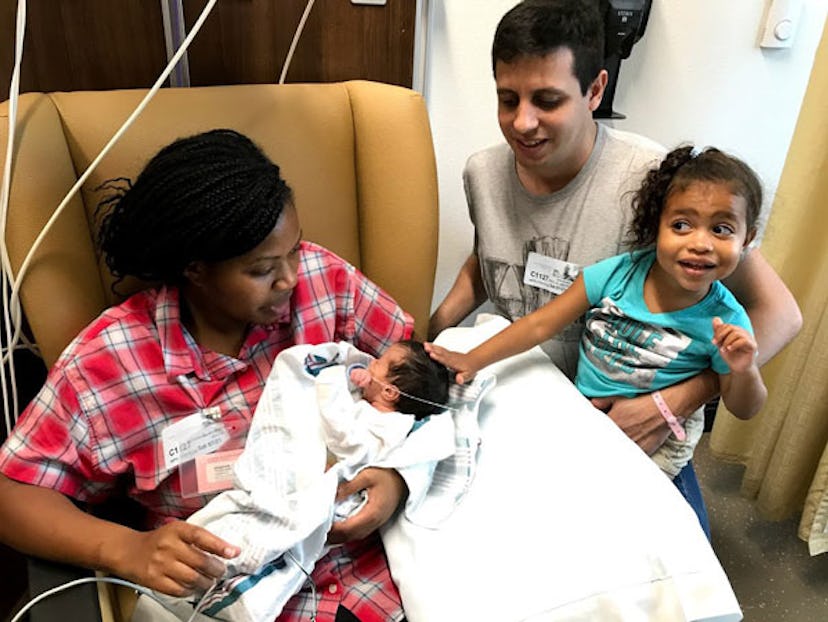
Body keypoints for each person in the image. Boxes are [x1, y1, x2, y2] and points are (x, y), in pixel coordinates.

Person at [0, 129, 413, 622]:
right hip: (247, 596)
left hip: (385, 574)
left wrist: (400, 477)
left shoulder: (328, 284)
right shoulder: (112, 363)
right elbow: (13, 495)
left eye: (294, 251)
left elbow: (428, 379)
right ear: (195, 270)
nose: (290, 279)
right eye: (262, 269)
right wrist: (125, 549)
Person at [427, 0, 801, 535]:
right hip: (521, 394)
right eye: (508, 100)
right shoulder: (482, 172)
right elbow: (491, 259)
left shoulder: (658, 184)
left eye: (547, 100)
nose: (522, 122)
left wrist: (677, 399)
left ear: (595, 90)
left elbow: (780, 313)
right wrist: (436, 328)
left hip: (634, 418)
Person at [428, 145, 768, 482]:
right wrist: (472, 360)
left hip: (658, 441)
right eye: (681, 225)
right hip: (585, 413)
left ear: (747, 238)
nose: (701, 243)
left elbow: (745, 408)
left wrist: (744, 370)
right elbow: (539, 324)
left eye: (721, 229)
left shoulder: (728, 320)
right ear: (658, 227)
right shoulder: (619, 273)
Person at [169, 339, 452, 622]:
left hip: (332, 514)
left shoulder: (388, 423)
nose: (371, 362)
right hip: (284, 483)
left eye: (380, 362)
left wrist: (331, 379)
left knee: (262, 541)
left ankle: (228, 577)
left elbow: (343, 434)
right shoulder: (369, 404)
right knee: (217, 539)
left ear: (389, 392)